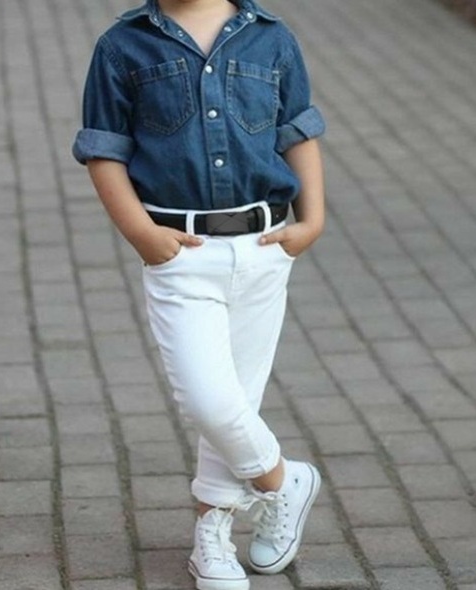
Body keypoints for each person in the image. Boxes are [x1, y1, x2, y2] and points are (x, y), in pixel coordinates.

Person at [73, 1, 326, 588]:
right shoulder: (122, 47)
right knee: (206, 398)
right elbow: (104, 150)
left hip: (263, 248)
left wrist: (313, 221)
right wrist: (141, 234)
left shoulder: (272, 40)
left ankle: (212, 533)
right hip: (180, 254)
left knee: (238, 398)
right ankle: (283, 480)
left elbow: (298, 131)